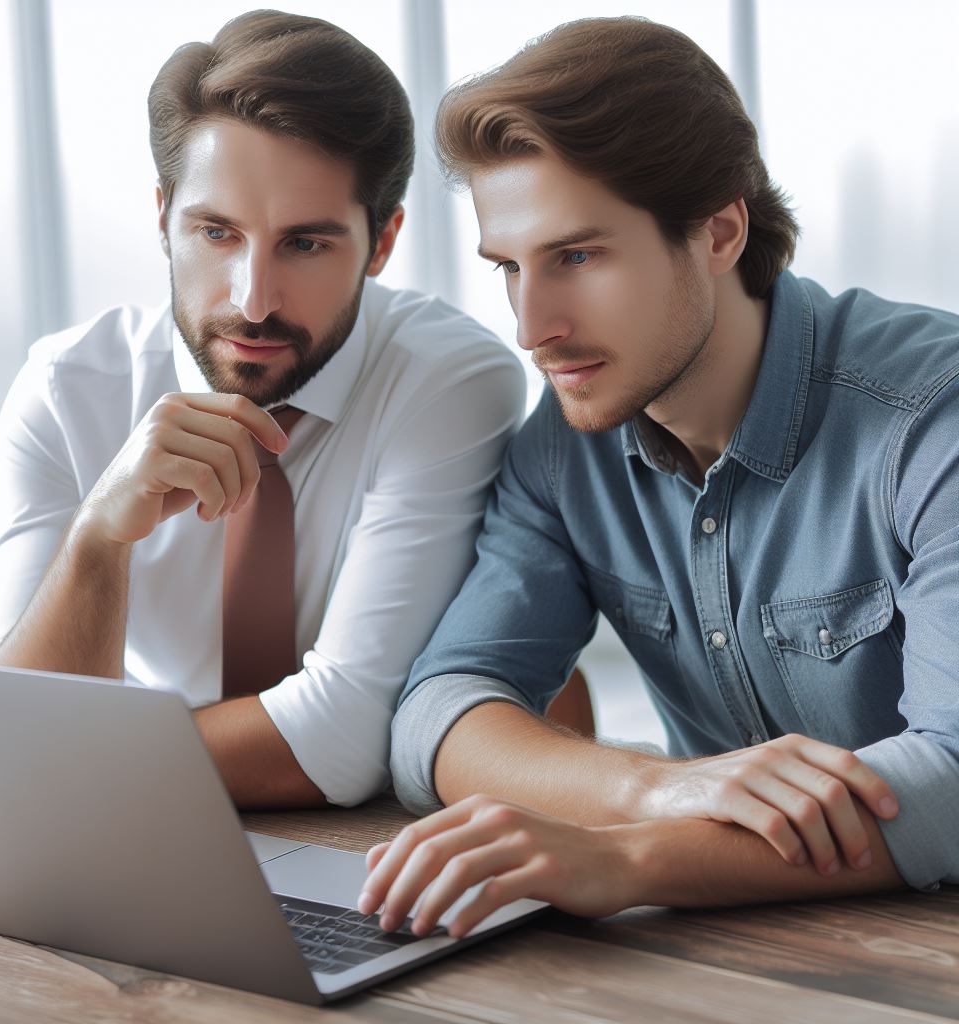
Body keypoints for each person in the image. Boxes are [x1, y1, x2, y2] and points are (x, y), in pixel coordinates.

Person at [363, 16, 959, 937]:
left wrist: (625, 857)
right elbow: (438, 713)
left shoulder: (932, 421)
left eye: (577, 257)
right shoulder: (563, 450)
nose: (534, 327)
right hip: (735, 955)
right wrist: (651, 789)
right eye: (510, 269)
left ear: (719, 231)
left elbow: (953, 781)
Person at [0, 10, 591, 810]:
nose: (253, 300)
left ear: (382, 242)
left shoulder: (447, 381)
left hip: (376, 844)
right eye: (217, 233)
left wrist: (64, 768)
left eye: (305, 244)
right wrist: (96, 539)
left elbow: (339, 739)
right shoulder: (66, 392)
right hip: (143, 830)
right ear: (164, 219)